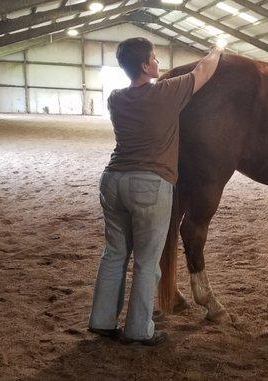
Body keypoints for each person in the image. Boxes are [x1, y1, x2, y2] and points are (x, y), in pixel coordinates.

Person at [88, 37, 223, 346]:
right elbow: (204, 71)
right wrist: (218, 49)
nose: (159, 63)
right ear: (147, 66)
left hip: (112, 181)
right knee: (147, 261)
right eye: (154, 58)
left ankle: (102, 320)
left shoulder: (116, 98)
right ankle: (138, 329)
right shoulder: (166, 92)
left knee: (114, 254)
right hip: (150, 183)